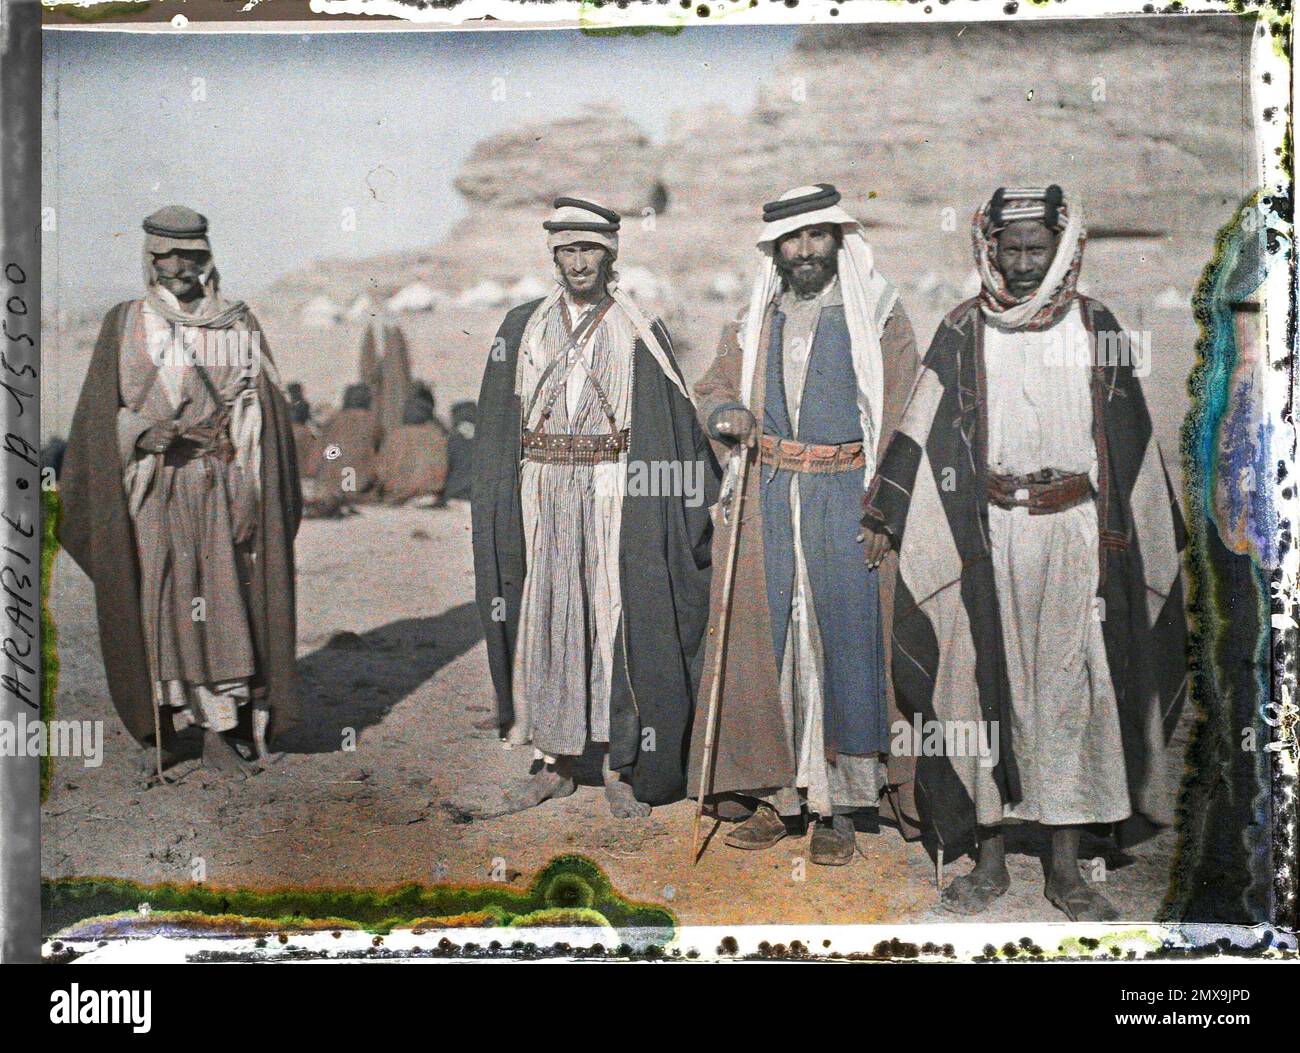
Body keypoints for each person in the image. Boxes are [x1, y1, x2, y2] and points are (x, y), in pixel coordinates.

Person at [861, 185, 1187, 919]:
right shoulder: (961, 328)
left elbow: (1131, 439)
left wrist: (1139, 538)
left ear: (1063, 248)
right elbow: (921, 425)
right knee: (981, 687)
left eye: (1036, 249)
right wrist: (890, 505)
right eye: (1008, 249)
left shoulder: (1096, 323)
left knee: (1072, 688)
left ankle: (1068, 868)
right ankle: (992, 859)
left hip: (1074, 533)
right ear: (988, 248)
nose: (1021, 263)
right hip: (989, 535)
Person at [686, 184, 920, 864]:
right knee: (771, 640)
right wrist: (725, 414)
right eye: (793, 240)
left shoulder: (879, 313)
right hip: (769, 492)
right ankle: (776, 797)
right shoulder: (756, 316)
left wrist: (886, 509)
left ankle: (839, 807)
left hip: (849, 493)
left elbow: (906, 413)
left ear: (838, 239)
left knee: (840, 642)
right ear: (776, 249)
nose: (806, 250)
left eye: (818, 236)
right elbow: (716, 386)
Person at [471, 196, 719, 817]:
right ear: (553, 255)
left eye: (591, 250)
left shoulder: (638, 328)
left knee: (614, 617)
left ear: (610, 254)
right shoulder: (520, 326)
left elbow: (671, 427)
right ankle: (553, 761)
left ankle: (618, 765)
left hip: (613, 492)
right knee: (548, 614)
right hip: (542, 488)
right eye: (568, 250)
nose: (580, 262)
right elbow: (501, 422)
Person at [58, 205, 301, 779]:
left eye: (190, 255)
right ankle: (173, 723)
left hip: (220, 485)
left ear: (206, 257)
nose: (178, 267)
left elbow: (258, 414)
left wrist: (250, 487)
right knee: (160, 603)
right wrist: (141, 431)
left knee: (222, 603)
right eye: (165, 256)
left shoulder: (238, 323)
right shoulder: (126, 323)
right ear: (149, 259)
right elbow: (99, 415)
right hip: (150, 487)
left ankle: (222, 730)